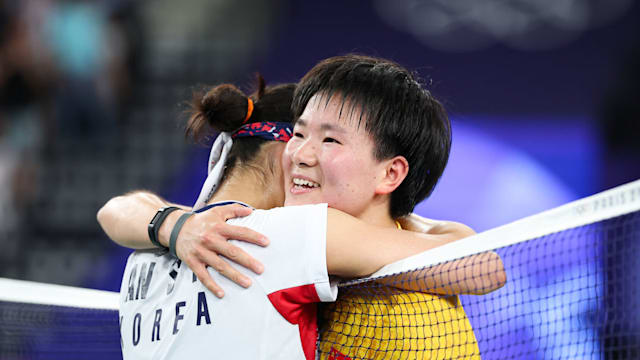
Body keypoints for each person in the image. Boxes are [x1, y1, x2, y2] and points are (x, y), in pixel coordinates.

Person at [99, 76, 504, 360]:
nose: (306, 154)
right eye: (299, 135)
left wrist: (171, 225)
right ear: (282, 151)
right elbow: (483, 267)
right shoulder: (289, 235)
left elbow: (117, 210)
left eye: (328, 139)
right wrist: (390, 204)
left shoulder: (147, 254)